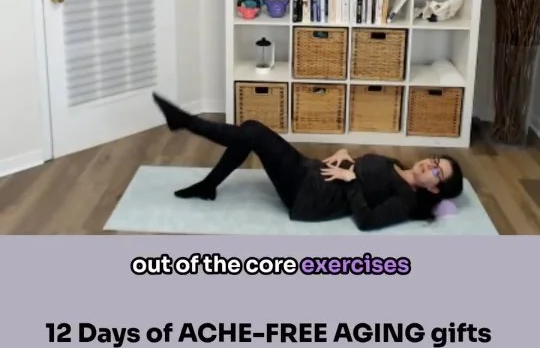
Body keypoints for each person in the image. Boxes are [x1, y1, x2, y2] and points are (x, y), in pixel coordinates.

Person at [152, 94, 464, 231]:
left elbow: (367, 221)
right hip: (310, 170)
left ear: (434, 189)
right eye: (434, 160)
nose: (429, 165)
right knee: (250, 132)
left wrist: (351, 180)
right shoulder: (395, 162)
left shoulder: (406, 200)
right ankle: (207, 184)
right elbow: (360, 168)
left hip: (310, 196)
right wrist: (345, 154)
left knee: (253, 132)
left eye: (437, 172)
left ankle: (186, 122)